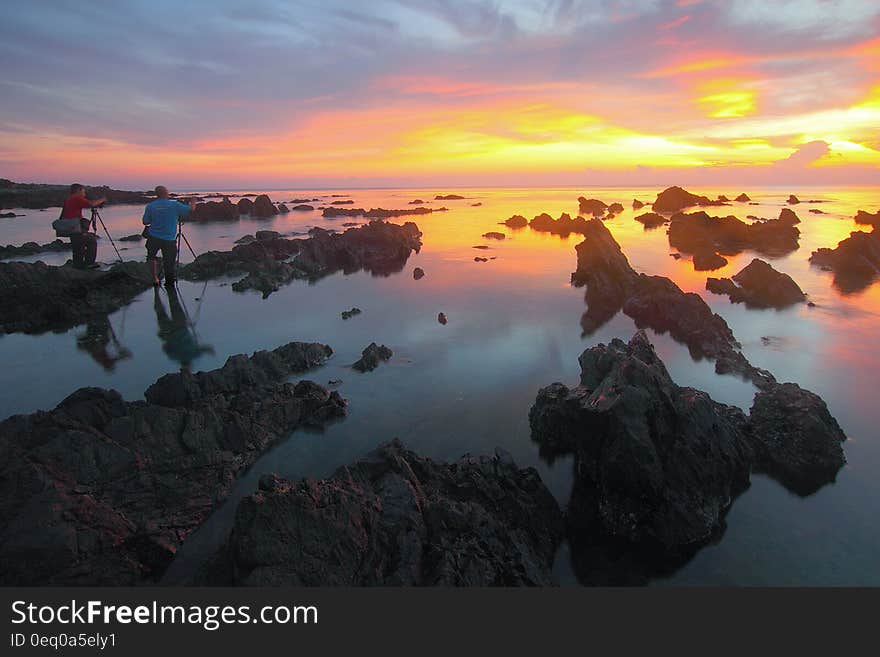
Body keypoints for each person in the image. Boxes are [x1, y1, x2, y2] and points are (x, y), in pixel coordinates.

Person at [142, 185, 194, 287]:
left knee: (151, 257)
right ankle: (169, 282)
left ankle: (155, 279)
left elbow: (145, 221)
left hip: (153, 237)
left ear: (156, 194)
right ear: (166, 193)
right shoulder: (174, 205)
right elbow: (191, 210)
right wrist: (193, 201)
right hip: (169, 239)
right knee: (169, 261)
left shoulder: (150, 206)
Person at [62, 183, 106, 269]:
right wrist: (102, 199)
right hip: (75, 227)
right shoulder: (76, 198)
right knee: (92, 241)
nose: (84, 194)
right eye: (83, 191)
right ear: (78, 190)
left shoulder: (69, 198)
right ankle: (89, 263)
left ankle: (78, 265)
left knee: (78, 246)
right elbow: (91, 204)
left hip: (71, 227)